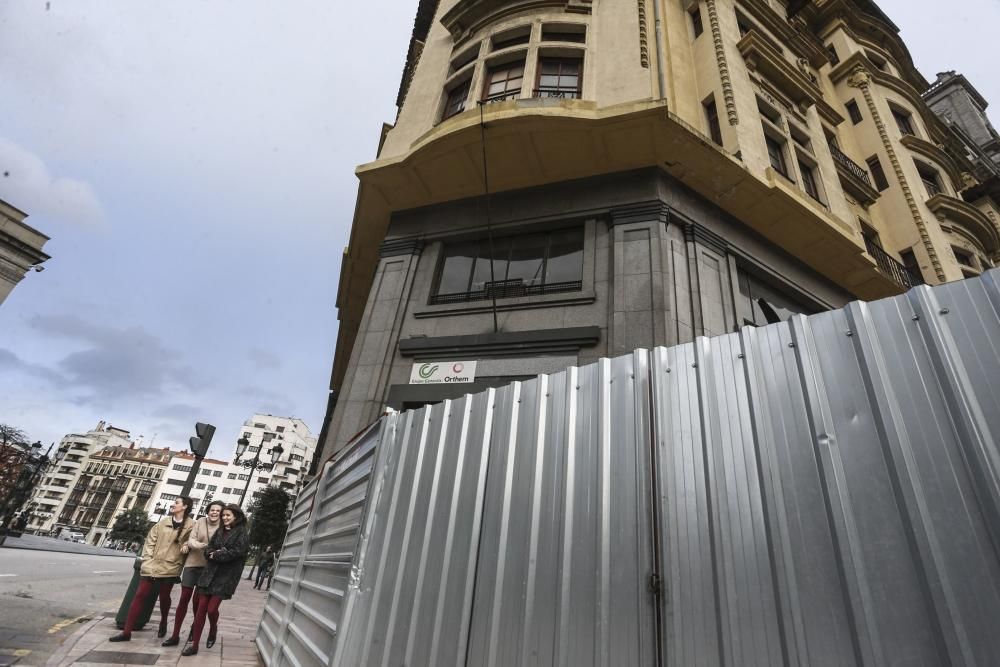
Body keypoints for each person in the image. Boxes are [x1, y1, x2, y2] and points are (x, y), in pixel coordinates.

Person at [110, 497, 194, 642]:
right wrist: (147, 560)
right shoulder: (162, 523)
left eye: (177, 502)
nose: (173, 504)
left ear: (185, 506)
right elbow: (150, 541)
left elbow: (191, 541)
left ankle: (163, 621)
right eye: (174, 502)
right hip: (152, 565)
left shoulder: (192, 525)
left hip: (171, 567)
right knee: (139, 595)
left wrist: (185, 546)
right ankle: (126, 632)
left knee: (164, 597)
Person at [182, 504, 250, 656]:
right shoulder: (219, 530)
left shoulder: (242, 533)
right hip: (209, 574)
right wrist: (213, 553)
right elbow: (208, 549)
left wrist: (217, 554)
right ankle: (194, 646)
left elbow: (237, 553)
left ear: (236, 517)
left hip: (226, 577)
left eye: (228, 515)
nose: (224, 518)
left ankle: (213, 628)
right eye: (223, 515)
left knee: (212, 610)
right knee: (201, 610)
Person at [162, 500, 224, 647]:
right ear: (208, 511)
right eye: (212, 510)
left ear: (221, 514)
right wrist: (206, 547)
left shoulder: (223, 527)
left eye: (217, 511)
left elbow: (222, 547)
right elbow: (191, 541)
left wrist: (203, 547)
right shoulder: (200, 522)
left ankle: (194, 629)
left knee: (198, 603)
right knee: (184, 599)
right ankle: (175, 635)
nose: (214, 512)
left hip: (208, 569)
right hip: (192, 564)